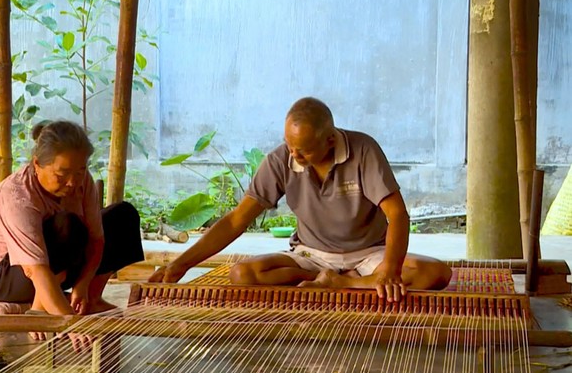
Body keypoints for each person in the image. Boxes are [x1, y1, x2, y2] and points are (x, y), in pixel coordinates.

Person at [149, 97, 451, 301]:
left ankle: (341, 284)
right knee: (243, 274)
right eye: (288, 145)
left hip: (369, 253)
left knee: (436, 274)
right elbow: (237, 220)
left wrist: (389, 271)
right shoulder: (281, 160)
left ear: (330, 139)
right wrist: (181, 265)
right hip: (310, 257)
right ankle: (330, 279)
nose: (293, 155)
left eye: (303, 150)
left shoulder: (363, 150)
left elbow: (397, 215)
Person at [0, 120, 144, 317]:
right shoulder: (17, 196)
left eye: (80, 171)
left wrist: (82, 287)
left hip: (56, 267)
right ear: (37, 164)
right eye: (61, 174)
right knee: (65, 225)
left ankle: (91, 300)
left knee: (122, 216)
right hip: (6, 277)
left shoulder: (82, 180)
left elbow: (97, 240)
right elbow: (35, 270)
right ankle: (37, 310)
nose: (72, 182)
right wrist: (71, 324)